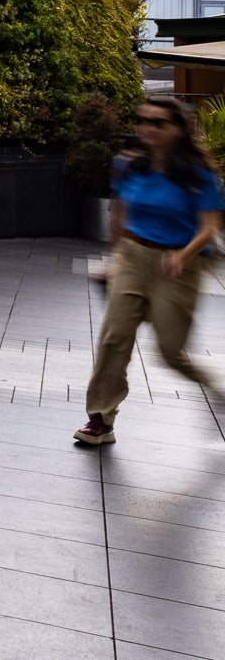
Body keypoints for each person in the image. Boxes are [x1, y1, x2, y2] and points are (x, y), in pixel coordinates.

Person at [75, 96, 222, 446]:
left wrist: (181, 257)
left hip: (180, 264)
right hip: (133, 256)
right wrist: (115, 260)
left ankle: (218, 393)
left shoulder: (198, 173)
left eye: (159, 122)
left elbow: (208, 229)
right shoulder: (129, 165)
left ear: (177, 129)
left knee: (170, 352)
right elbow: (121, 216)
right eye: (143, 120)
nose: (148, 128)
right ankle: (100, 419)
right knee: (114, 339)